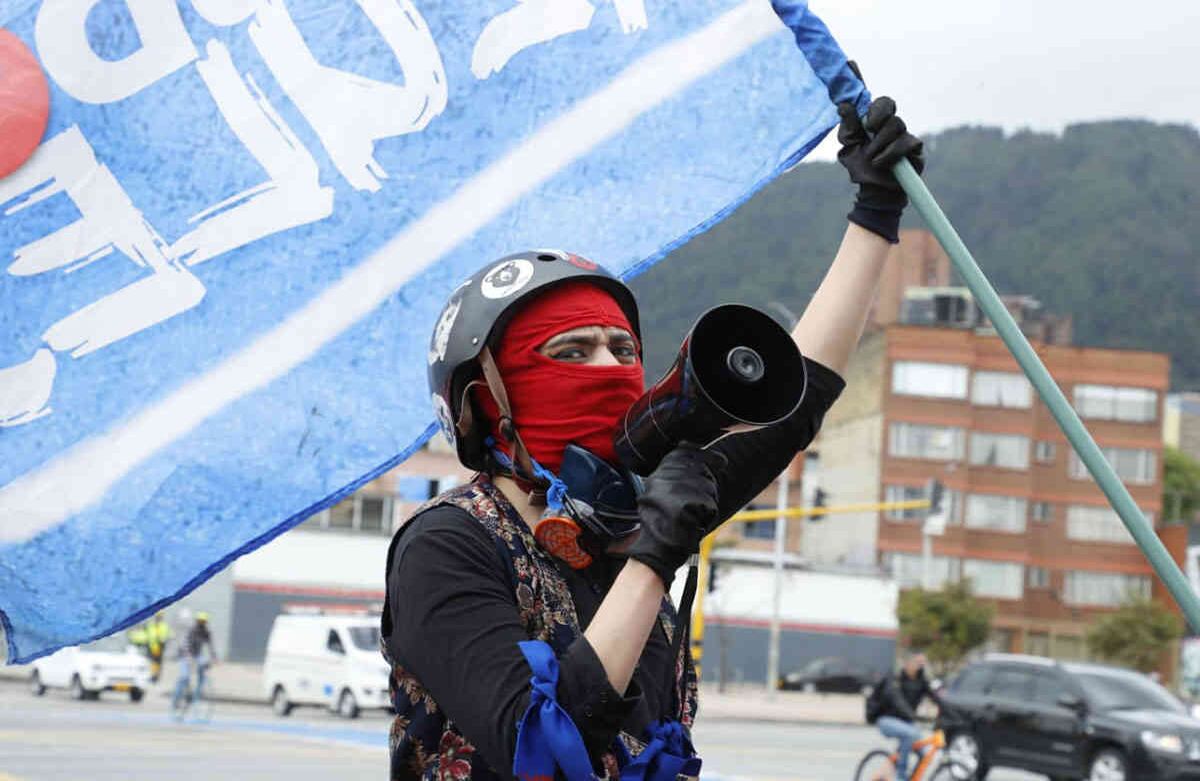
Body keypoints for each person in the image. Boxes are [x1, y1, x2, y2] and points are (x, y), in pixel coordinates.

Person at [382, 95, 925, 780]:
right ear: (486, 404)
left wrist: (875, 213)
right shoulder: (446, 544)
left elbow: (798, 396)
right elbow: (543, 747)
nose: (609, 366)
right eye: (572, 351)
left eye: (621, 347)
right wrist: (653, 556)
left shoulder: (637, 504)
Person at [873, 652, 943, 780]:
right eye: (918, 663)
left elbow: (936, 698)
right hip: (887, 719)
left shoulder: (921, 680)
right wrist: (912, 715)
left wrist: (953, 712)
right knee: (909, 734)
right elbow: (896, 699)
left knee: (924, 753)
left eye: (922, 664)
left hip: (907, 722)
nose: (920, 666)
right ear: (908, 663)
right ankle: (901, 776)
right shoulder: (896, 677)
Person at [172, 611, 217, 711]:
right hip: (185, 655)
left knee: (203, 670)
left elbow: (211, 645)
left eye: (203, 622)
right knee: (184, 676)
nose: (201, 624)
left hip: (197, 655)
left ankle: (196, 694)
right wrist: (187, 655)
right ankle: (177, 699)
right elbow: (185, 644)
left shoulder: (206, 632)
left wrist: (214, 657)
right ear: (197, 621)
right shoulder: (192, 631)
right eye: (200, 622)